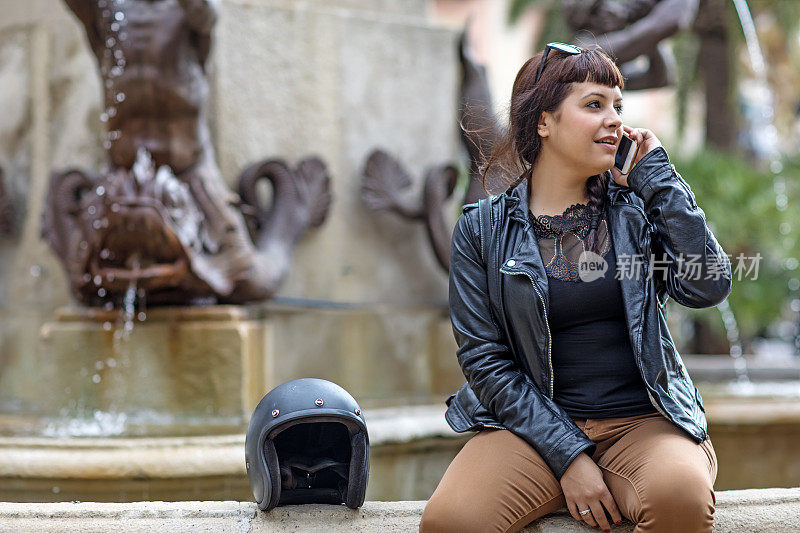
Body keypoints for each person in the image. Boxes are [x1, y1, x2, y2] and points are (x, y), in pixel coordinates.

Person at [420, 43, 731, 533]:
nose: (615, 121)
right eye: (594, 105)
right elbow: (485, 360)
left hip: (642, 421)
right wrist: (570, 457)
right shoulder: (481, 230)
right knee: (452, 521)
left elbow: (708, 284)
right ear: (544, 122)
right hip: (531, 431)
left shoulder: (638, 211)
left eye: (618, 106)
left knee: (679, 499)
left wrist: (660, 181)